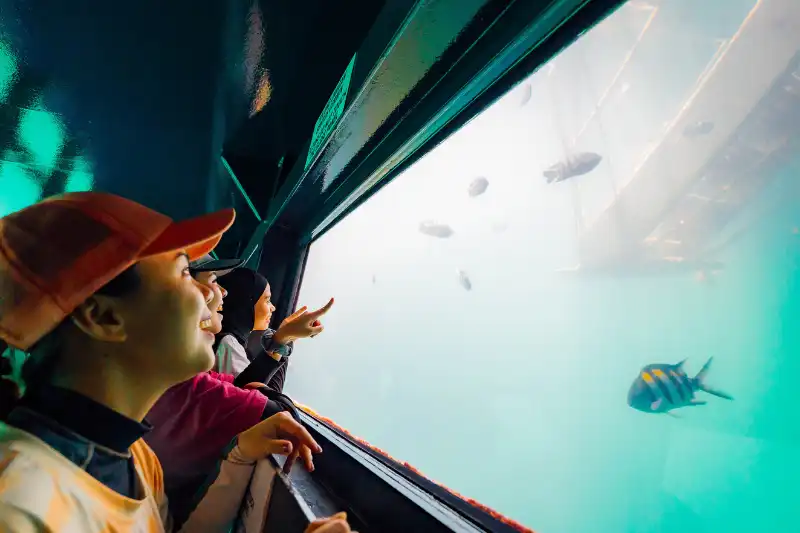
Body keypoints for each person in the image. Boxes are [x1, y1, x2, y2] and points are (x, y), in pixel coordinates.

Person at [0, 192, 352, 533]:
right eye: (184, 273)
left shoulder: (135, 458)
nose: (213, 293)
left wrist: (240, 458)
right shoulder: (17, 505)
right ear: (105, 317)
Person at [145, 255, 331, 524]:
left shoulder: (140, 460)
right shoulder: (212, 361)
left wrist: (281, 342)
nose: (220, 290)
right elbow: (275, 411)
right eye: (188, 274)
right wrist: (281, 345)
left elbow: (245, 387)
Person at [213, 266, 333, 391]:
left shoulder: (228, 341)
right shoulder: (227, 343)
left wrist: (288, 338)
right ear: (248, 301)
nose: (273, 308)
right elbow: (254, 396)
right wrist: (282, 339)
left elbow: (265, 392)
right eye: (267, 300)